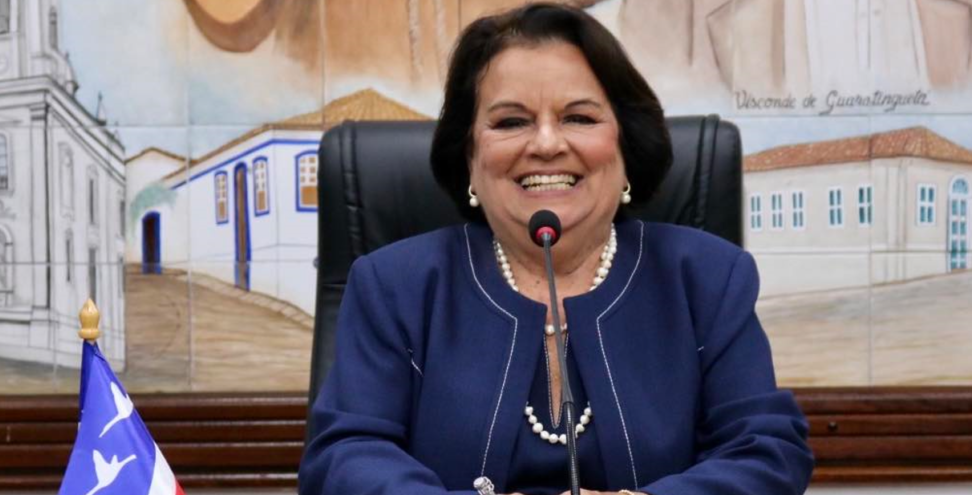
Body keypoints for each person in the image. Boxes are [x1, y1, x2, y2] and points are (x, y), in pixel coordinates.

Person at [300, 3, 814, 494]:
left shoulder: (705, 278)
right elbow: (345, 459)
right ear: (470, 158)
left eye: (579, 118)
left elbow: (765, 451)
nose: (546, 144)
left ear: (626, 148)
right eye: (511, 122)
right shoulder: (395, 286)